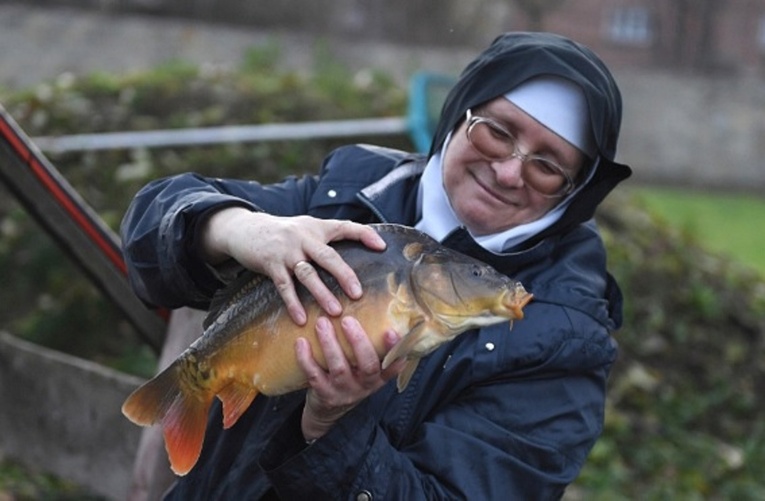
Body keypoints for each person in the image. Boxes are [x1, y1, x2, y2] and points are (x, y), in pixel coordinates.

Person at [120, 31, 632, 499]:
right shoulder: (347, 194)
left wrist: (331, 425)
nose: (507, 171)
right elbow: (148, 228)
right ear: (459, 114)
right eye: (496, 132)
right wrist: (237, 229)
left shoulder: (565, 344)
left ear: (574, 191)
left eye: (546, 166)